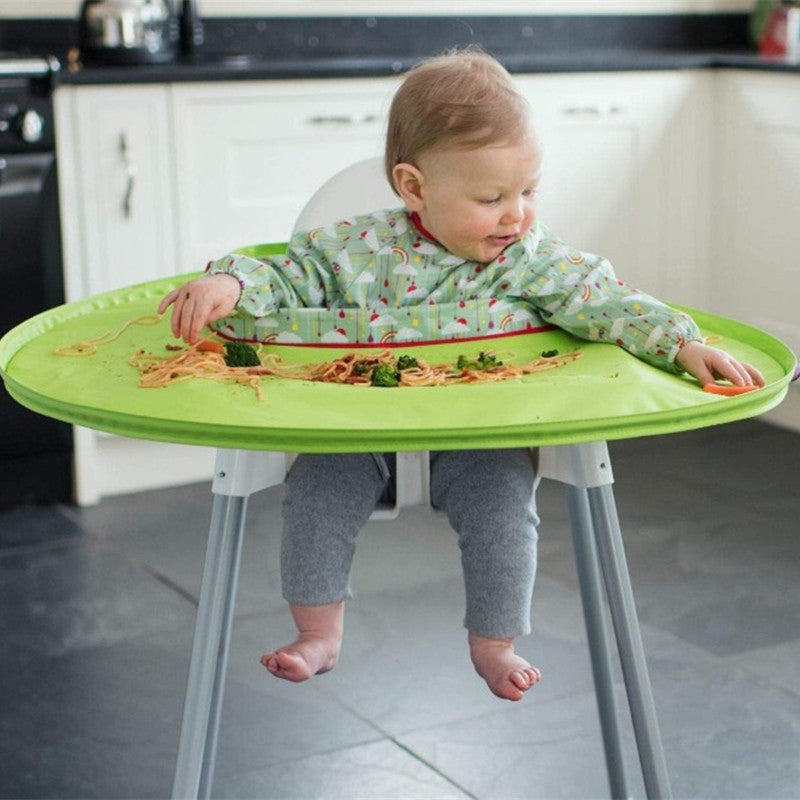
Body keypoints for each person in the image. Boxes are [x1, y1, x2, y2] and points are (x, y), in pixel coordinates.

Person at [158, 49, 764, 702]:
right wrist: (228, 280)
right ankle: (318, 632)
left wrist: (679, 344)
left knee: (507, 508)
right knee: (315, 495)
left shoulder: (528, 258)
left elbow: (604, 299)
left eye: (529, 192)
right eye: (491, 197)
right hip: (362, 428)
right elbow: (282, 274)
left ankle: (495, 642)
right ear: (414, 187)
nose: (517, 216)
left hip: (481, 431)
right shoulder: (363, 249)